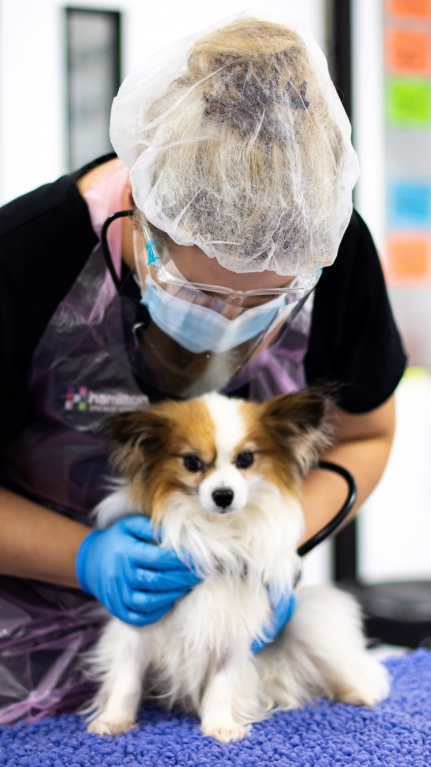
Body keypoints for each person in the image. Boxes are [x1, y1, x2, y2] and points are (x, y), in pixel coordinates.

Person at [0, 14, 405, 722]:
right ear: (139, 204)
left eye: (270, 298)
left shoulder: (329, 245)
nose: (231, 319)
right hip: (24, 647)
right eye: (202, 292)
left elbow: (365, 435)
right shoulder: (23, 259)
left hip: (229, 639)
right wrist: (87, 557)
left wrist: (270, 549)